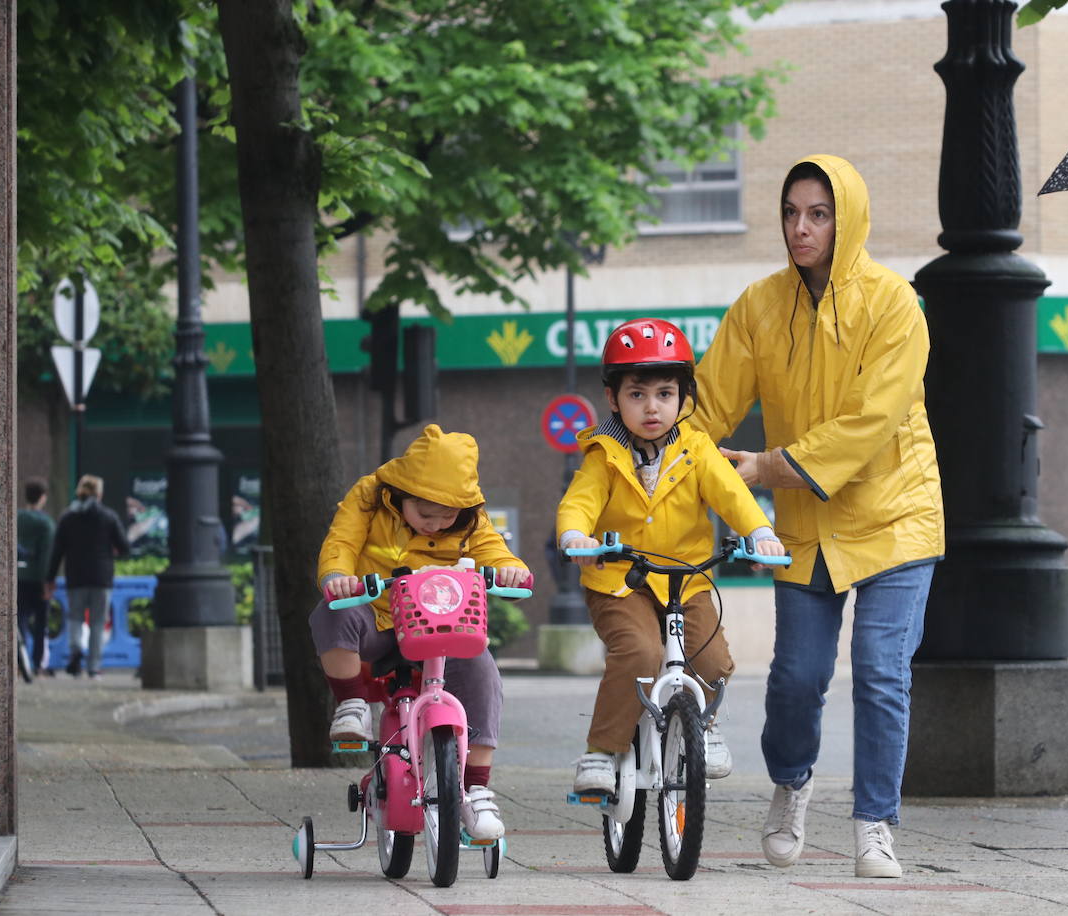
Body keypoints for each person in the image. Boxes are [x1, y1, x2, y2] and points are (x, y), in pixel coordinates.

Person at [690, 155, 944, 878]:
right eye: (791, 213)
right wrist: (649, 450)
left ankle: (874, 824)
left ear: (847, 219)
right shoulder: (759, 306)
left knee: (880, 672)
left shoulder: (895, 305)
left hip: (897, 514)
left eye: (818, 214)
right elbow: (709, 405)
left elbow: (869, 424)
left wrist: (768, 468)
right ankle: (791, 784)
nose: (800, 228)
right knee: (797, 679)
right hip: (804, 524)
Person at [557, 317, 785, 793]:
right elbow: (579, 501)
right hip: (620, 581)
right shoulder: (603, 453)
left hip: (687, 578)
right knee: (640, 652)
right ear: (613, 399)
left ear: (684, 397)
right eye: (637, 395)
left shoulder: (697, 449)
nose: (652, 407)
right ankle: (601, 751)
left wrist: (761, 531)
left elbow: (732, 496)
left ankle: (705, 726)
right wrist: (577, 536)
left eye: (665, 393)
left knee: (713, 659)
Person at [313, 423, 530, 841]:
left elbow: (492, 548)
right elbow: (342, 540)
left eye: (446, 516)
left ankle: (477, 789)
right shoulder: (369, 498)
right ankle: (351, 703)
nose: (435, 524)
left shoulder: (469, 521)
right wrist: (339, 575)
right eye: (425, 514)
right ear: (400, 494)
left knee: (481, 670)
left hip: (439, 627)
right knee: (333, 613)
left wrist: (510, 570)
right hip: (377, 617)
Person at [47, 475, 129, 678]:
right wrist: (113, 549)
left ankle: (75, 651)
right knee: (97, 622)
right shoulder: (108, 516)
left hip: (75, 576)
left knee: (74, 617)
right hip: (101, 577)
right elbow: (124, 547)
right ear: (99, 493)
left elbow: (57, 551)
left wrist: (49, 578)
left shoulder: (67, 517)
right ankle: (93, 667)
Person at [16, 477, 55, 677]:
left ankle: (19, 661)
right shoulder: (45, 523)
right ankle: (38, 663)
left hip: (18, 577)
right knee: (41, 623)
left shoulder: (16, 517)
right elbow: (47, 556)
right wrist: (46, 582)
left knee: (19, 619)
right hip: (38, 578)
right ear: (42, 498)